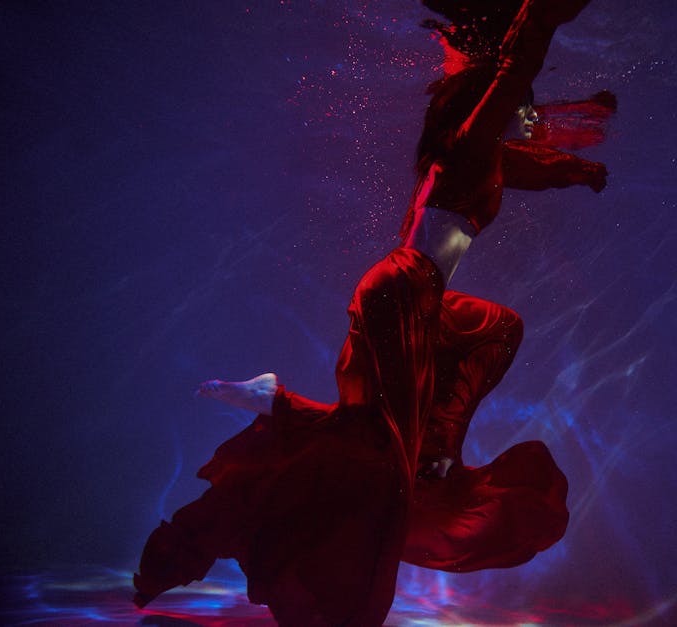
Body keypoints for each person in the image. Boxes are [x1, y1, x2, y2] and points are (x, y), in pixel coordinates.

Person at [133, 1, 608, 624]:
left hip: (419, 295)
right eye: (520, 106)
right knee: (377, 463)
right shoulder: (468, 141)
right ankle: (238, 533)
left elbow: (528, 166)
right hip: (404, 292)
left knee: (492, 333)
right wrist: (540, 14)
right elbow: (515, 70)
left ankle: (312, 412)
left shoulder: (480, 156)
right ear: (488, 102)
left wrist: (581, 171)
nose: (529, 115)